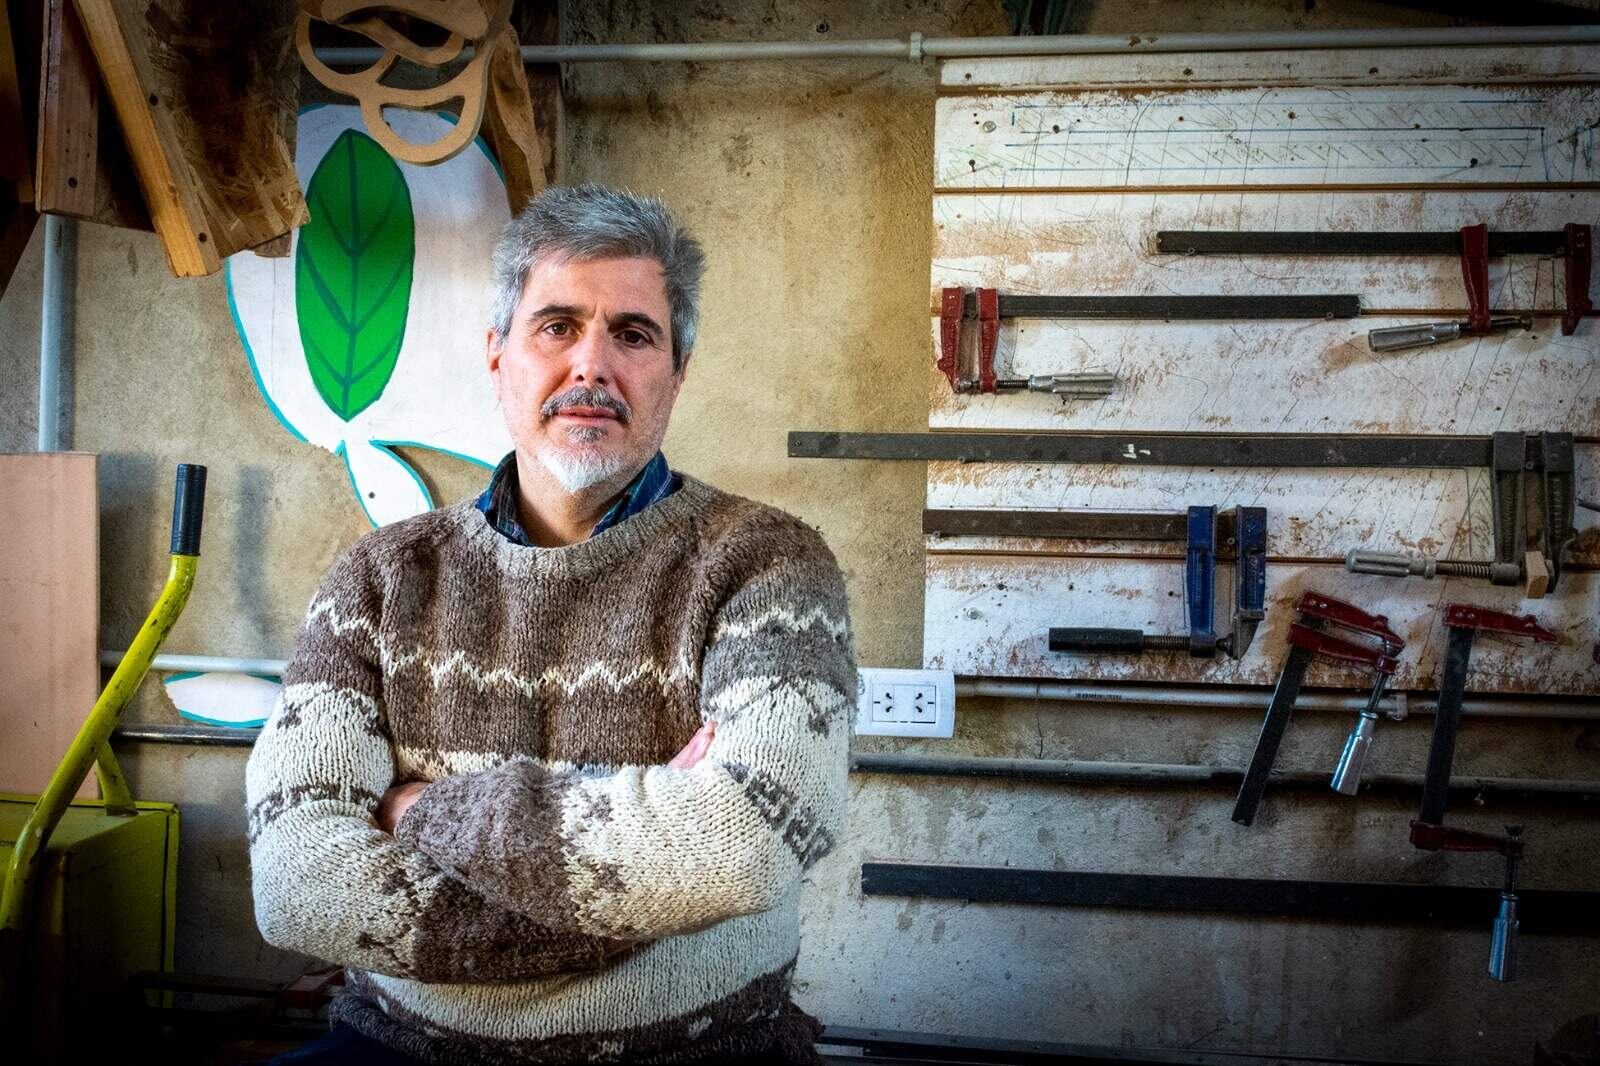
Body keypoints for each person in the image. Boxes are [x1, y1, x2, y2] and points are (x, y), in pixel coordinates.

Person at [245, 184, 854, 1064]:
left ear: (678, 371)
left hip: (696, 1053)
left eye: (633, 335)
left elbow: (740, 851)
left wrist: (420, 809)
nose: (591, 366)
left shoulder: (767, 567)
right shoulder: (379, 578)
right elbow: (299, 889)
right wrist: (642, 875)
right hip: (407, 1049)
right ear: (498, 354)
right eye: (557, 326)